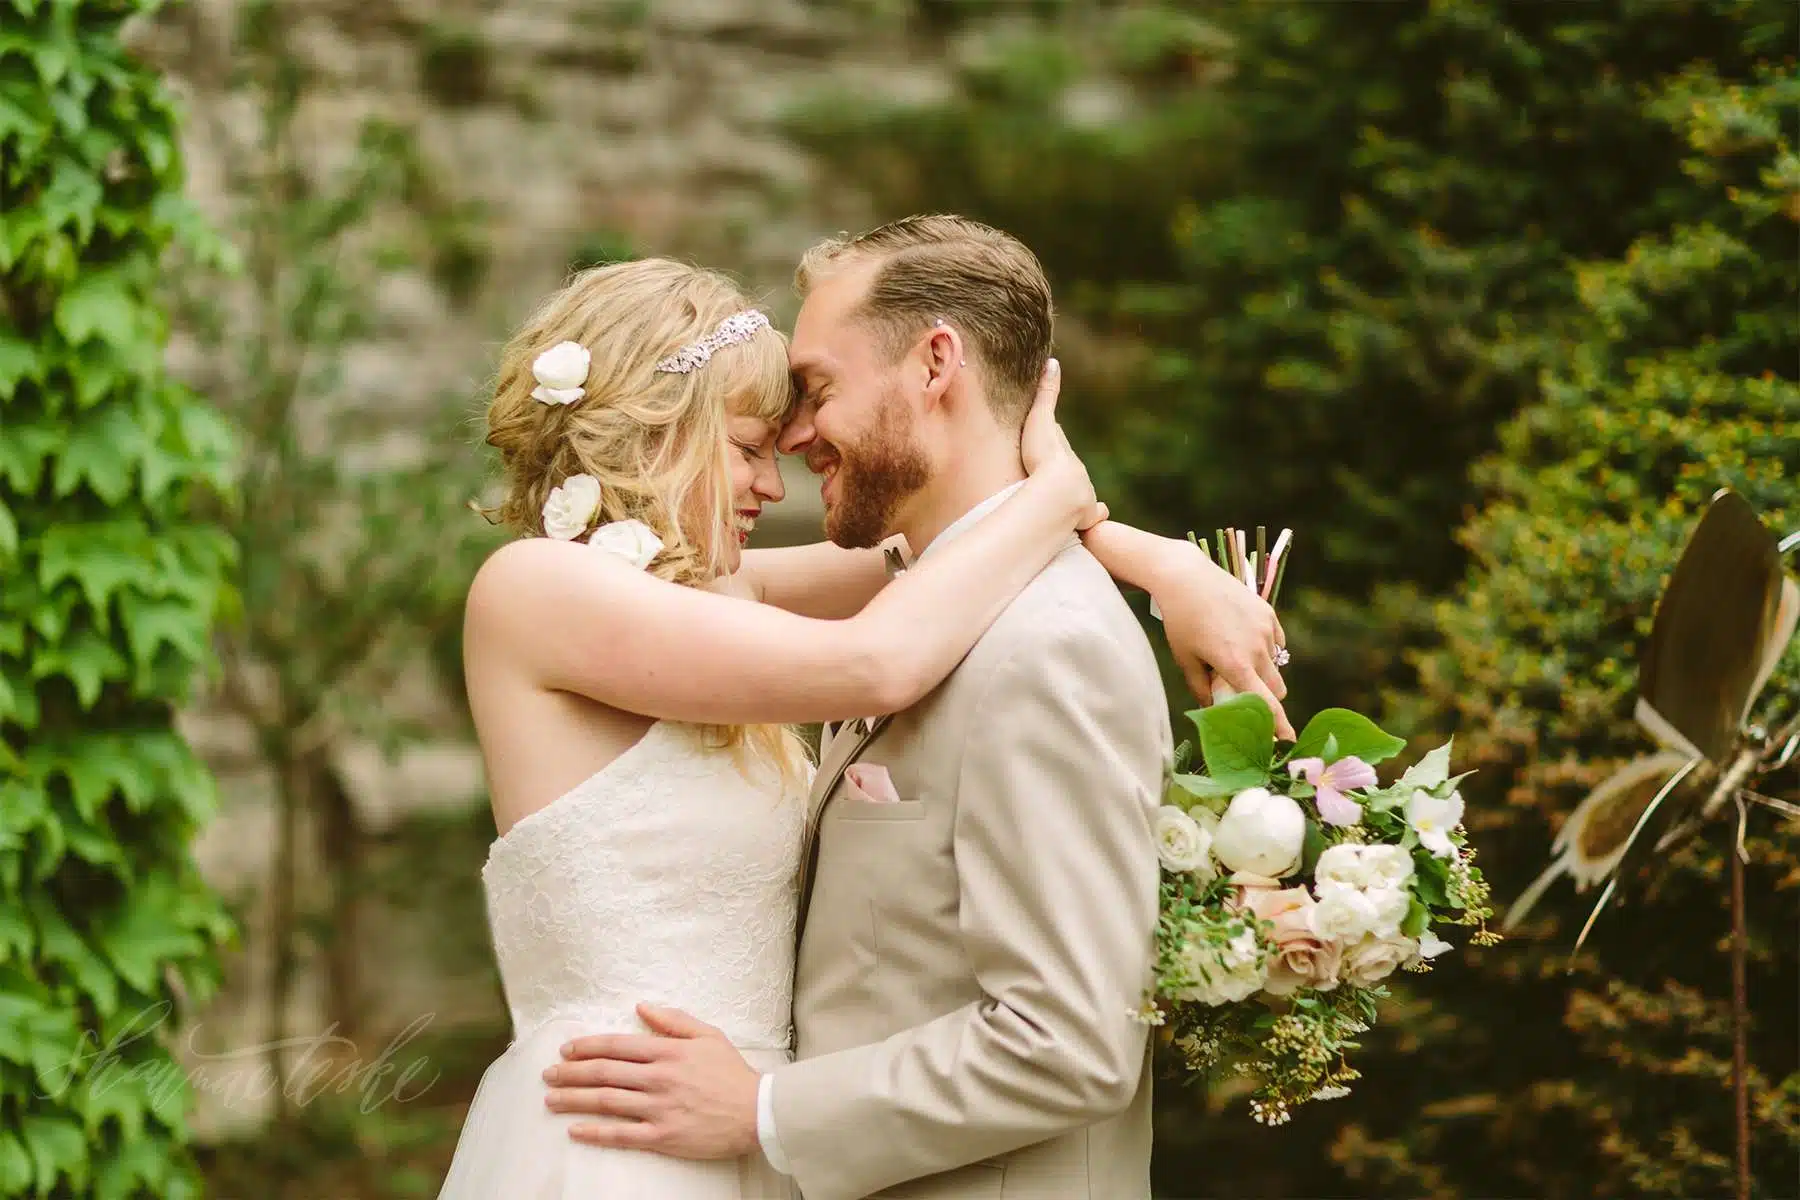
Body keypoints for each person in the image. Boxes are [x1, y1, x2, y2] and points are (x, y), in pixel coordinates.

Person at [442, 244, 1286, 1198]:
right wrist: (1055, 487)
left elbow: (949, 549)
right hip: (622, 1130)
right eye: (749, 446)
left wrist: (1166, 566)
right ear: (656, 429)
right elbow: (881, 657)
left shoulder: (722, 593)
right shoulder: (537, 590)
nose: (776, 480)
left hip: (755, 1135)